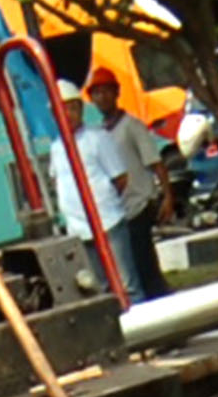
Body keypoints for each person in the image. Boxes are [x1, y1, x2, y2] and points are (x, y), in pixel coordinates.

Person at [44, 63, 172, 304]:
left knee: (129, 283)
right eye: (63, 110)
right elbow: (57, 180)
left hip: (111, 221)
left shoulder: (98, 138)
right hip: (80, 229)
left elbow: (121, 179)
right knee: (101, 288)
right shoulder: (57, 148)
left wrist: (103, 202)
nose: (68, 114)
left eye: (73, 108)